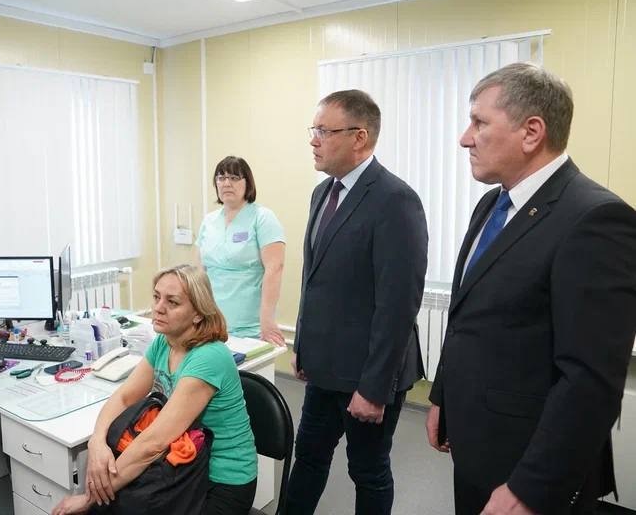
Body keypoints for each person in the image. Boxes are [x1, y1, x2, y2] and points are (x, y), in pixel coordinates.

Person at [425, 62, 636, 515]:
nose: (464, 138)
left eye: (479, 122)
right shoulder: (492, 204)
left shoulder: (595, 219)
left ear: (531, 132)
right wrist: (443, 397)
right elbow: (467, 317)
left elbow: (590, 379)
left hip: (530, 466)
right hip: (476, 441)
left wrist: (530, 487)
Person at [287, 90, 428, 515]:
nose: (313, 140)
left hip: (368, 373)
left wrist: (373, 389)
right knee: (308, 457)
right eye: (313, 130)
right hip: (324, 367)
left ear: (359, 137)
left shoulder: (394, 199)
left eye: (323, 131)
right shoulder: (322, 194)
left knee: (367, 471)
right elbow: (314, 281)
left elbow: (398, 304)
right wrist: (303, 346)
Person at [52, 265, 257, 515]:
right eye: (157, 297)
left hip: (222, 479)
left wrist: (89, 499)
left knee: (103, 506)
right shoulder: (164, 342)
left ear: (197, 314)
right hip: (183, 462)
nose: (159, 307)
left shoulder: (209, 357)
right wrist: (97, 442)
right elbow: (125, 397)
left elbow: (154, 443)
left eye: (173, 302)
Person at [196, 156, 286, 346]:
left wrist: (267, 320)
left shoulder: (262, 218)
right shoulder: (209, 221)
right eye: (221, 178)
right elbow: (200, 273)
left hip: (250, 327)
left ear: (248, 183)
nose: (226, 183)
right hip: (211, 322)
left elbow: (274, 268)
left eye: (234, 178)